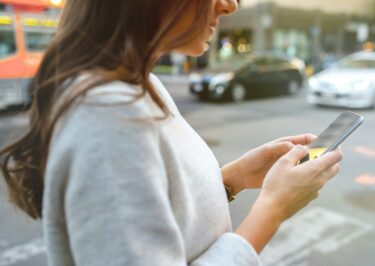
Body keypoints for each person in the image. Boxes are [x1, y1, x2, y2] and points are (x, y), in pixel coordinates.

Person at [0, 1, 342, 265]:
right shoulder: (108, 113)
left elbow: (158, 211)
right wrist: (273, 207)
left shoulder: (141, 84)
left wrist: (232, 180)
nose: (230, 5)